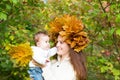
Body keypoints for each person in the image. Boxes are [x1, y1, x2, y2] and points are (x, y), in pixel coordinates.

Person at [33, 15, 90, 80]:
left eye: (61, 42)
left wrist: (44, 67)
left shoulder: (73, 69)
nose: (57, 45)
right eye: (57, 42)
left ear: (71, 45)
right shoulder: (53, 62)